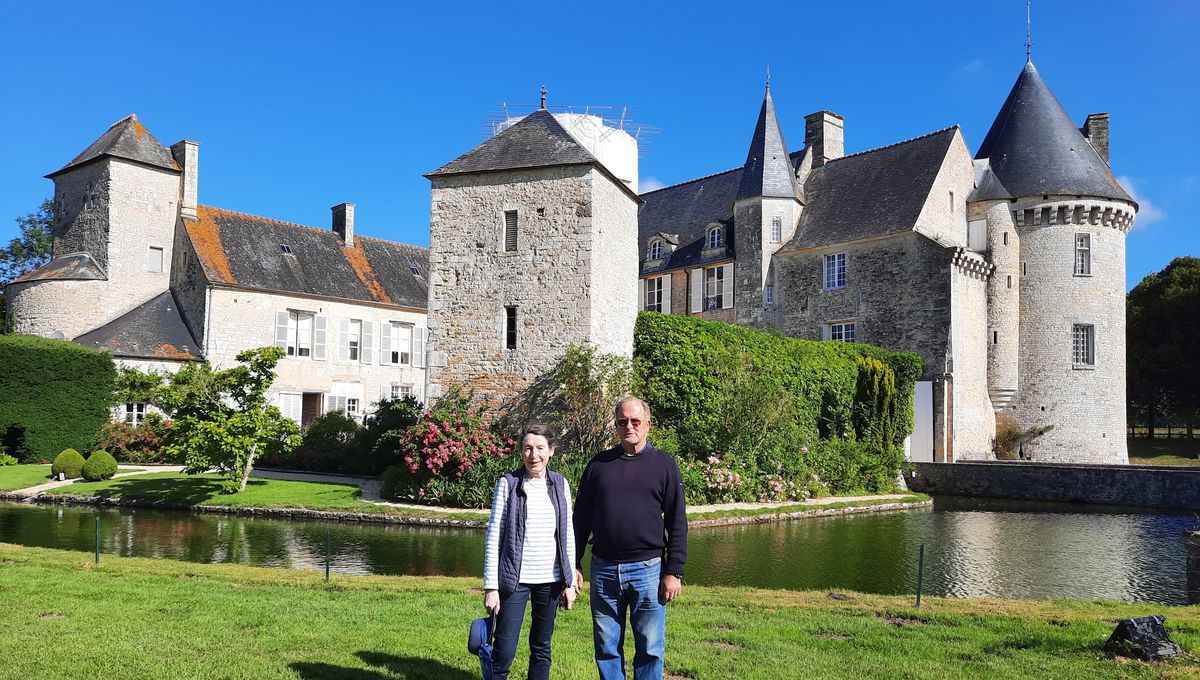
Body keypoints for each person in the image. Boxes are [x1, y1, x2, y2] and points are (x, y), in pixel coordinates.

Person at [573, 397, 688, 680]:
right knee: (606, 647)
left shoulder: (664, 465)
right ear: (616, 425)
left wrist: (673, 571)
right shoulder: (599, 465)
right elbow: (580, 520)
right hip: (603, 570)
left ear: (648, 424)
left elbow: (676, 521)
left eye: (635, 421)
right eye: (623, 421)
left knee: (649, 648)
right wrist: (573, 563)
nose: (629, 426)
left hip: (648, 570)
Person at [482, 423, 579, 680]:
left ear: (551, 451)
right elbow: (494, 536)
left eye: (539, 448)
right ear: (521, 452)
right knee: (503, 649)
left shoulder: (561, 485)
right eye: (527, 448)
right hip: (514, 581)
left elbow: (567, 535)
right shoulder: (508, 484)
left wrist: (569, 583)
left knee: (541, 648)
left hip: (550, 581)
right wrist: (491, 587)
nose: (533, 455)